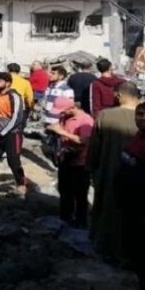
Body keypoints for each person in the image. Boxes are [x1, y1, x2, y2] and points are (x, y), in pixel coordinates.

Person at [87, 81, 140, 262]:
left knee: (107, 209)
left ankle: (105, 246)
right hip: (139, 176)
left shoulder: (105, 115)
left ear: (119, 95)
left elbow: (94, 148)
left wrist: (91, 168)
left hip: (108, 171)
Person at [116, 102, 145, 290]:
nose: (144, 118)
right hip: (131, 207)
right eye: (140, 114)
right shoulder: (139, 136)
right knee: (135, 252)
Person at [46, 97, 94, 227]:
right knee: (64, 191)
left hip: (80, 163)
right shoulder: (65, 118)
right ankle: (65, 218)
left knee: (80, 195)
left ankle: (80, 222)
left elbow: (83, 140)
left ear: (72, 108)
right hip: (65, 160)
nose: (61, 113)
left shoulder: (86, 120)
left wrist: (61, 132)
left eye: (63, 111)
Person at [0, 72, 27, 196]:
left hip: (12, 135)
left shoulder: (14, 96)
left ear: (7, 83)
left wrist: (0, 133)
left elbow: (17, 118)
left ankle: (21, 186)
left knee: (14, 161)